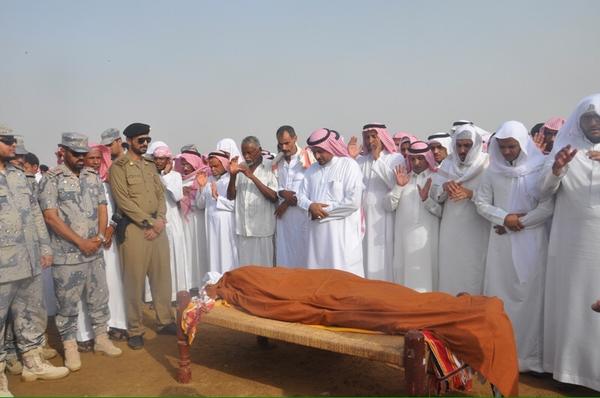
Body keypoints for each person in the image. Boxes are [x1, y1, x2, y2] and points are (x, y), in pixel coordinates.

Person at [474, 121, 553, 372]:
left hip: (532, 242)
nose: (507, 152)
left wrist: (518, 221)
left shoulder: (540, 167)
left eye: (512, 146)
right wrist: (504, 218)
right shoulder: (492, 171)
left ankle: (530, 360)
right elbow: (481, 203)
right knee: (500, 298)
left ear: (522, 144)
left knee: (530, 299)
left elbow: (547, 207)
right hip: (501, 247)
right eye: (503, 147)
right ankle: (500, 354)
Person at [39, 133, 122, 371]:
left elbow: (102, 206)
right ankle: (70, 346)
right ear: (62, 151)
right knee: (67, 303)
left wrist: (98, 237)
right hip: (67, 255)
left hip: (93, 252)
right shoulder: (51, 179)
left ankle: (101, 339)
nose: (80, 159)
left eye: (83, 154)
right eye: (75, 154)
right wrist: (80, 242)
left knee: (99, 295)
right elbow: (50, 217)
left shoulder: (91, 175)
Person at [538, 94, 600, 391]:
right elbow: (543, 192)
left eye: (598, 118)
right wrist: (557, 169)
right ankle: (569, 372)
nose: (594, 123)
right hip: (570, 242)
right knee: (573, 302)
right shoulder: (565, 150)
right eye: (588, 118)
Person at [0, 129, 69, 396]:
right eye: (7, 141)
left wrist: (44, 246)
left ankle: (33, 363)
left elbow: (36, 215)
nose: (13, 145)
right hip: (3, 265)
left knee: (28, 314)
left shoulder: (18, 176)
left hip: (27, 262)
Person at [109, 123, 176, 350]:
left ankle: (165, 320)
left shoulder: (150, 165)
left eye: (147, 140)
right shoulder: (118, 167)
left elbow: (159, 195)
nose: (145, 144)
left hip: (157, 227)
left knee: (162, 278)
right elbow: (124, 201)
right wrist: (148, 223)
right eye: (141, 140)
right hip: (134, 230)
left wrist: (160, 221)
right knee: (134, 282)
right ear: (129, 141)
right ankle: (135, 329)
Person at [76, 144, 128, 344]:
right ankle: (86, 333)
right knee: (86, 286)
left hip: (108, 243)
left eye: (99, 158)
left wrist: (110, 230)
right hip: (86, 244)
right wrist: (95, 237)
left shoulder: (107, 184)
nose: (96, 162)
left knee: (113, 283)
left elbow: (118, 210)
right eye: (91, 159)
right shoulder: (76, 184)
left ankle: (115, 323)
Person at [430, 124, 490, 295]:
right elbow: (435, 193)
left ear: (476, 145)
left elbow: (494, 198)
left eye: (467, 145)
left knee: (473, 272)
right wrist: (444, 187)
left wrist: (470, 193)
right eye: (459, 145)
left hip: (477, 228)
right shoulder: (448, 163)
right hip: (451, 229)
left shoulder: (486, 163)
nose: (462, 150)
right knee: (450, 271)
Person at [297, 128, 364, 276]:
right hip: (316, 238)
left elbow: (353, 202)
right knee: (317, 278)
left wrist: (322, 211)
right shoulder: (311, 170)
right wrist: (310, 206)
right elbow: (300, 196)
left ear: (330, 147)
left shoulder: (348, 165)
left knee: (343, 279)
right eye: (314, 151)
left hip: (341, 238)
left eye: (320, 151)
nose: (317, 155)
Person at [384, 141, 441, 291]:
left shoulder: (437, 179)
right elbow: (388, 206)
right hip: (404, 240)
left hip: (427, 241)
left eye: (420, 158)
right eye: (412, 159)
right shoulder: (403, 179)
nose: (416, 163)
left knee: (427, 280)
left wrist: (426, 200)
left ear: (427, 158)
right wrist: (398, 187)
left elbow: (442, 212)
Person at [352, 123, 403, 281]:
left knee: (382, 255)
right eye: (367, 137)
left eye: (374, 136)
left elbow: (395, 183)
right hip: (364, 216)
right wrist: (351, 158)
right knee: (364, 254)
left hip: (384, 216)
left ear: (382, 137)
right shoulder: (360, 161)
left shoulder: (395, 158)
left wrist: (377, 160)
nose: (370, 140)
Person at [227, 136, 278, 266]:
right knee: (246, 272)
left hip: (263, 230)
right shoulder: (240, 168)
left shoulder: (270, 167)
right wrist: (233, 176)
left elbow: (273, 197)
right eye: (244, 153)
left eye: (250, 152)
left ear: (259, 150)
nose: (246, 156)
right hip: (244, 231)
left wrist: (251, 176)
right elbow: (230, 196)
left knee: (264, 272)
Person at [149, 141, 190, 299]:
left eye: (162, 159)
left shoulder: (175, 176)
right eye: (156, 158)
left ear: (168, 160)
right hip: (157, 220)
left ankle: (174, 294)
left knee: (174, 253)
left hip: (172, 219)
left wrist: (165, 177)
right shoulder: (151, 176)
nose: (159, 161)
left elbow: (176, 196)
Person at [272, 125, 312, 267]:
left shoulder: (308, 158)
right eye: (280, 144)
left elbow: (311, 186)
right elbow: (274, 184)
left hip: (302, 214)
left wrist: (287, 202)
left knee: (304, 251)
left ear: (295, 139)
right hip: (284, 218)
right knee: (285, 252)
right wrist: (281, 193)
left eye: (287, 143)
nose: (284, 147)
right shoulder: (278, 162)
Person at [196, 150, 238, 273]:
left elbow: (235, 205)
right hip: (211, 227)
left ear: (224, 164)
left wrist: (218, 198)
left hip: (226, 226)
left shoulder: (231, 180)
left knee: (227, 256)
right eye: (211, 166)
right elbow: (200, 205)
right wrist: (202, 187)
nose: (212, 169)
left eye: (216, 166)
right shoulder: (209, 181)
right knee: (214, 257)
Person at [173, 147, 209, 290]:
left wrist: (194, 192)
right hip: (185, 220)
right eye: (184, 164)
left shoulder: (202, 176)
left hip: (197, 220)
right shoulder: (180, 179)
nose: (186, 168)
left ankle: (202, 282)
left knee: (199, 250)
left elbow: (201, 202)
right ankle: (190, 284)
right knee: (188, 251)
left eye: (188, 164)